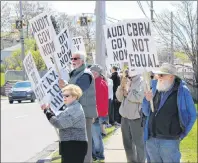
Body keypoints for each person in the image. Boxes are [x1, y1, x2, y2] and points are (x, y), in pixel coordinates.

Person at [142, 63, 197, 163]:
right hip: (151, 140)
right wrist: (146, 100)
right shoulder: (155, 88)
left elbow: (193, 115)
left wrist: (183, 134)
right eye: (158, 75)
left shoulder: (182, 91)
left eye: (162, 75)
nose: (159, 77)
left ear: (171, 76)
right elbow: (146, 113)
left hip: (169, 142)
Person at [59, 51, 97, 163]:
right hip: (76, 113)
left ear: (82, 60)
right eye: (72, 59)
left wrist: (65, 86)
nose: (73, 61)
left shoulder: (86, 74)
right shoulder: (75, 74)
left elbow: (78, 91)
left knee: (85, 145)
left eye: (76, 59)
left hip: (84, 114)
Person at [41, 84, 88, 163]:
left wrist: (47, 111)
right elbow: (58, 118)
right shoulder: (72, 107)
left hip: (74, 146)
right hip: (72, 145)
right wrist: (49, 110)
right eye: (63, 95)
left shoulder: (74, 109)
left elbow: (59, 123)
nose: (64, 98)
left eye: (66, 96)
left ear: (75, 96)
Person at [116, 70, 145, 163]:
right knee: (127, 143)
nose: (128, 71)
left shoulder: (142, 81)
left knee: (139, 144)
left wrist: (128, 91)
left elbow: (140, 98)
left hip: (136, 117)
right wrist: (121, 87)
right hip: (124, 117)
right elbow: (119, 98)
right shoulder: (125, 80)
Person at [90, 64, 109, 161]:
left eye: (93, 72)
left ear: (97, 73)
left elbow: (100, 101)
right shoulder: (95, 82)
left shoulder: (100, 83)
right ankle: (95, 155)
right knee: (94, 137)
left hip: (97, 115)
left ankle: (99, 155)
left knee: (96, 137)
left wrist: (95, 114)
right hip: (96, 114)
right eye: (91, 71)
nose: (92, 73)